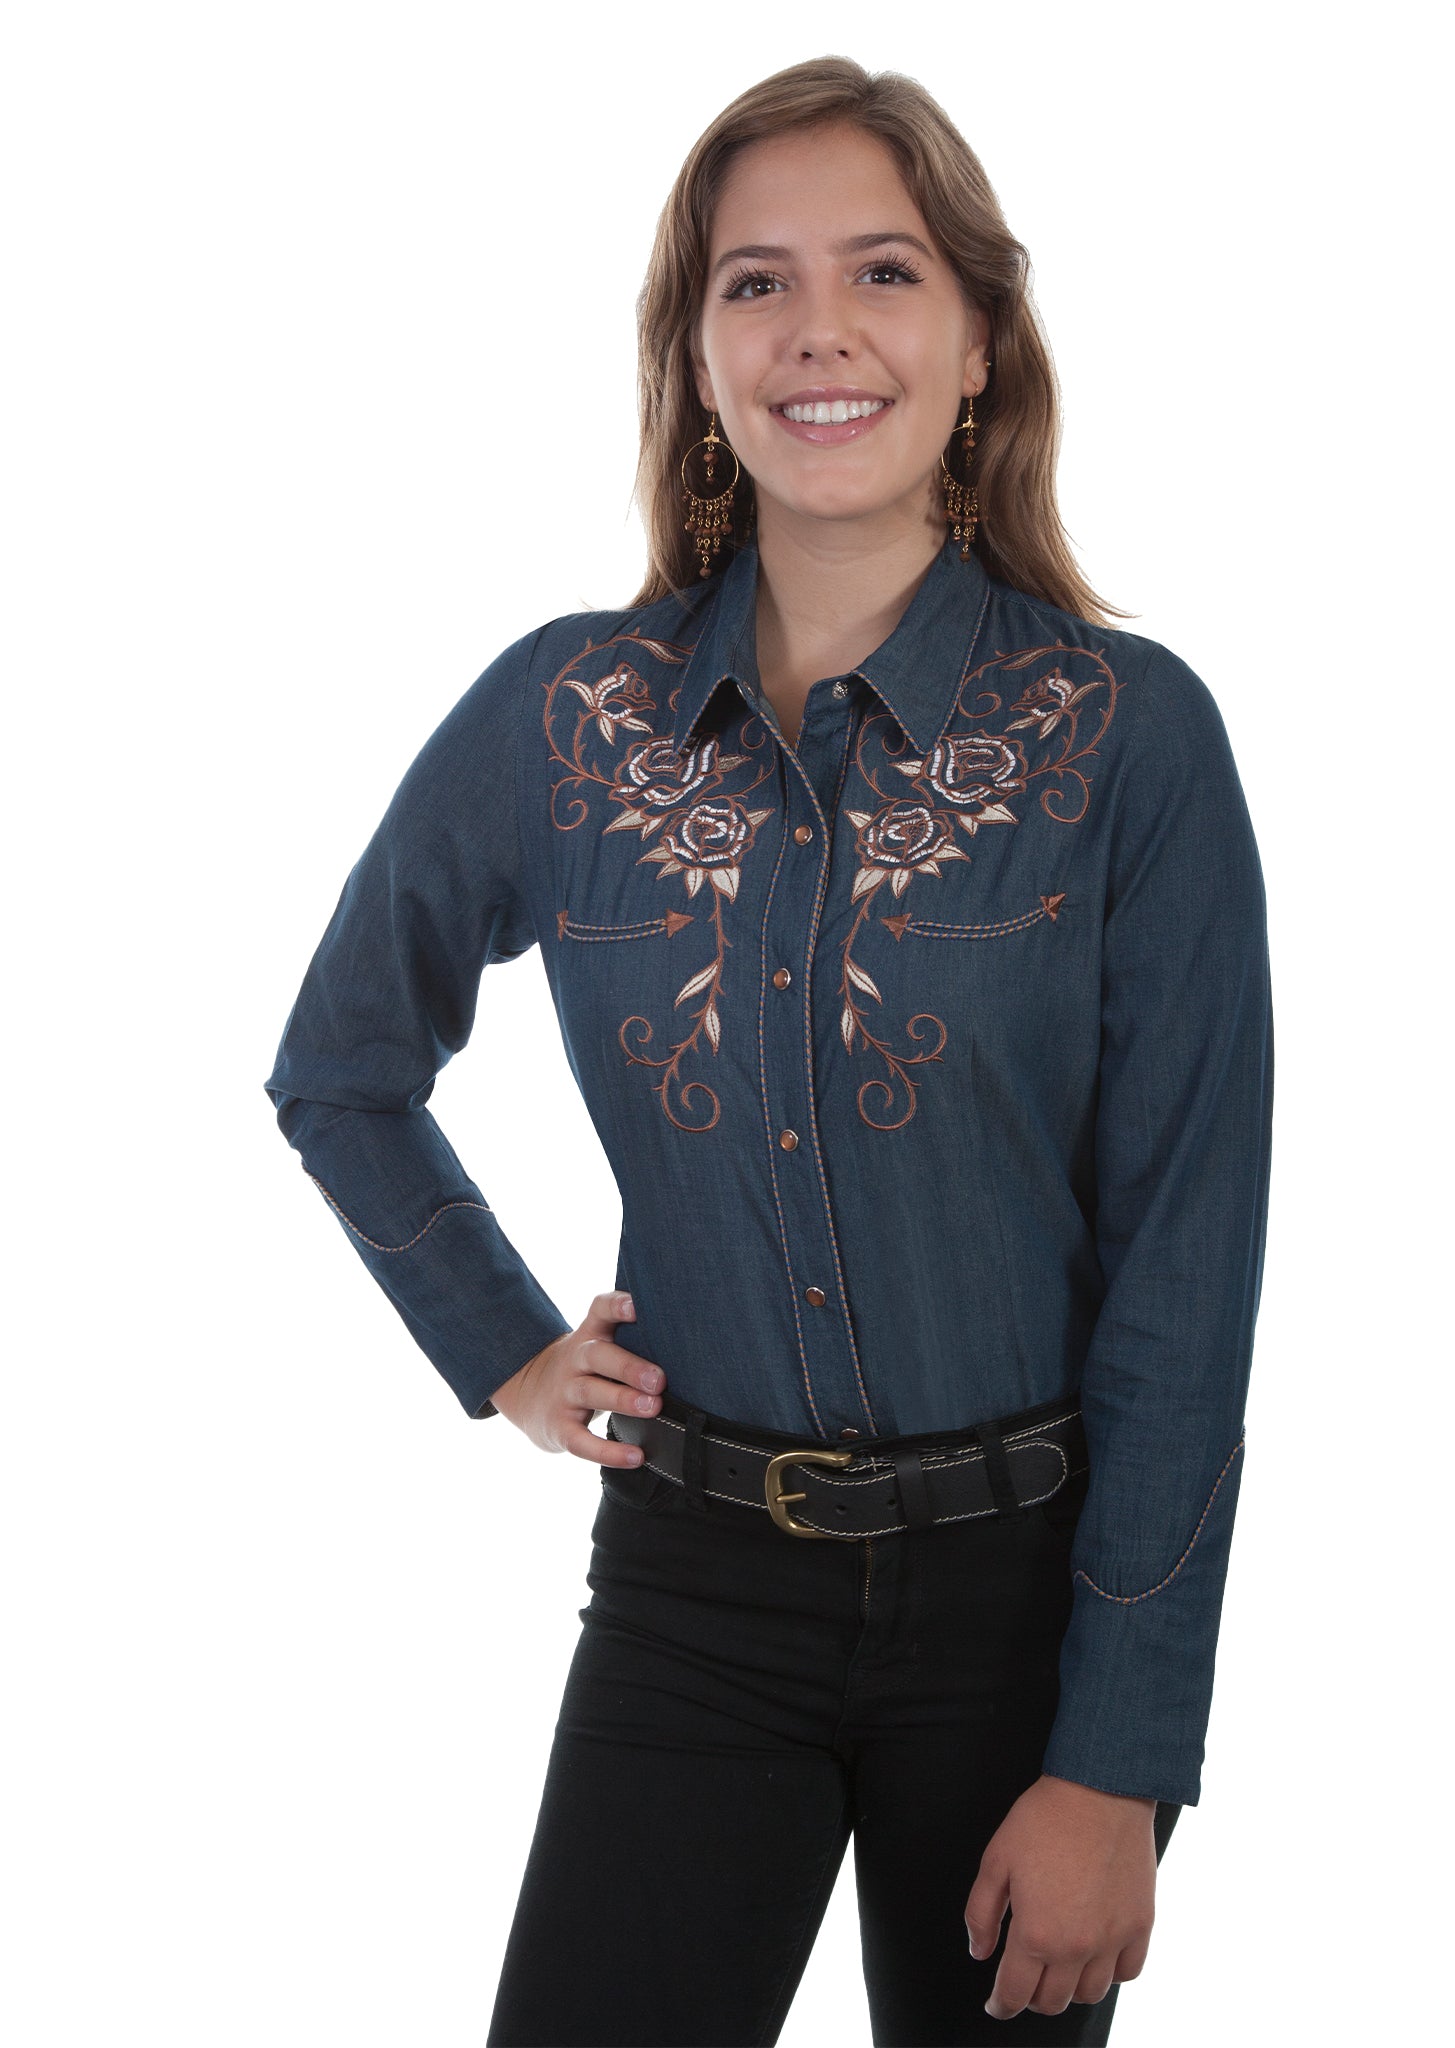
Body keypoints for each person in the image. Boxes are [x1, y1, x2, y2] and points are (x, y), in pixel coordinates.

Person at [263, 53, 1274, 2048]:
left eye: (884, 272)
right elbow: (341, 1064)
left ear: (976, 344)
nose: (821, 329)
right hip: (693, 1597)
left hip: (1024, 1616)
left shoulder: (1125, 739)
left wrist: (1122, 1760)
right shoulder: (567, 719)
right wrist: (505, 1347)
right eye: (758, 282)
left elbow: (1185, 1280)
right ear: (698, 357)